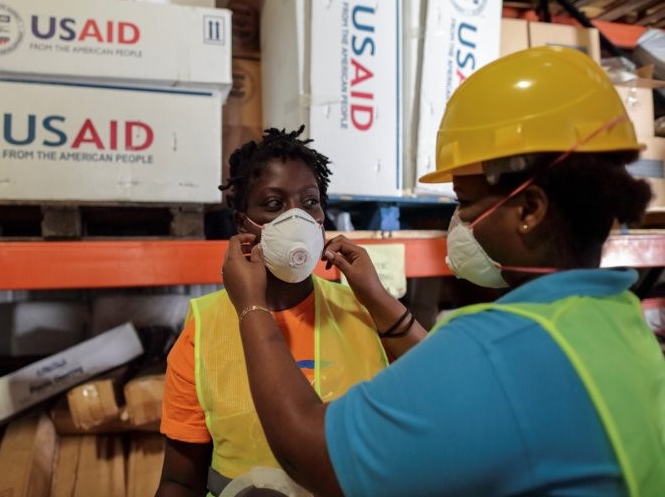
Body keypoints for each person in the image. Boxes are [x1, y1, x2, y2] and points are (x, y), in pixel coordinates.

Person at [221, 46, 665, 496]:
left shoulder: (496, 346)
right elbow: (458, 388)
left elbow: (308, 452)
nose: (461, 224)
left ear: (529, 208)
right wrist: (378, 300)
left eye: (466, 203)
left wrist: (252, 306)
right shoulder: (619, 320)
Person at [156, 126, 427, 496]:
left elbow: (445, 391)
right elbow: (178, 480)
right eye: (274, 204)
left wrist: (377, 296)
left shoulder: (364, 312)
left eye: (310, 202)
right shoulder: (205, 329)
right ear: (243, 225)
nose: (296, 217)